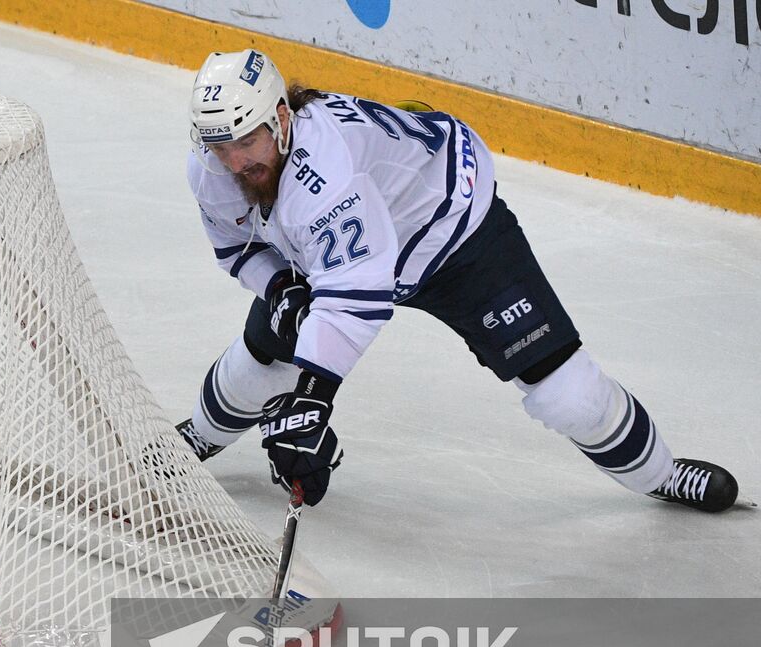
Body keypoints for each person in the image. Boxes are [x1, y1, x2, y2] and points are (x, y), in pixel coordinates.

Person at [175, 49, 742, 513]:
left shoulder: (326, 174)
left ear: (279, 117)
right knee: (261, 356)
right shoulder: (216, 170)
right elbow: (237, 247)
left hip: (452, 233)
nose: (236, 160)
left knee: (569, 395)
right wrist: (280, 289)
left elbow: (357, 301)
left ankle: (661, 474)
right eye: (221, 146)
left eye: (246, 141)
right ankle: (198, 438)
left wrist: (312, 404)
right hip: (350, 237)